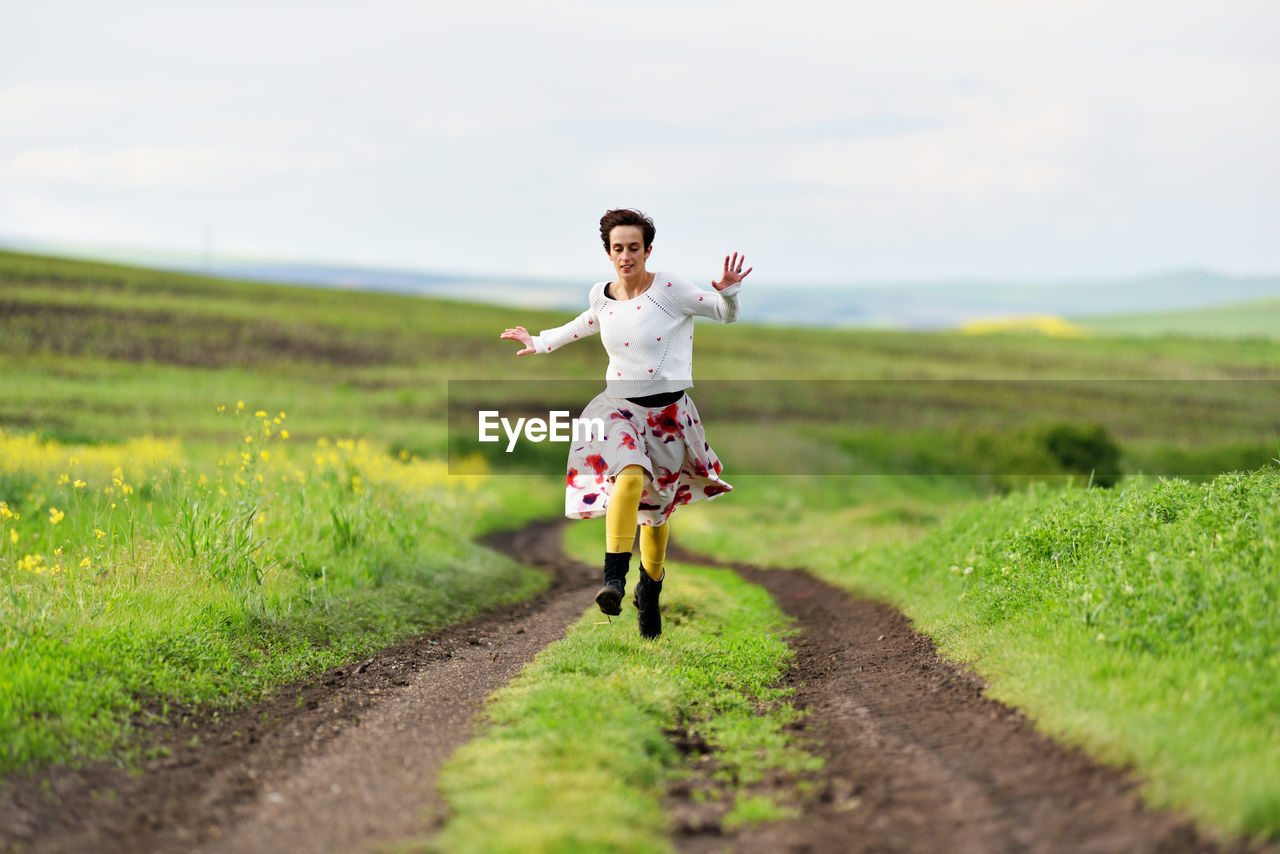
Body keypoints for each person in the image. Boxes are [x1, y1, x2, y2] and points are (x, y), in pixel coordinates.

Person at [500, 208, 750, 639]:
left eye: (634, 247)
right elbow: (587, 323)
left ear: (648, 249)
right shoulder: (601, 293)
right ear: (609, 252)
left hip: (668, 417)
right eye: (618, 248)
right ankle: (613, 579)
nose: (626, 255)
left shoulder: (669, 289)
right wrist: (539, 342)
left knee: (654, 517)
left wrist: (729, 293)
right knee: (629, 475)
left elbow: (723, 314)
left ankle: (649, 590)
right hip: (617, 408)